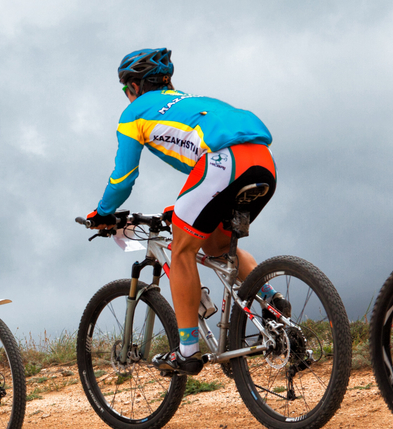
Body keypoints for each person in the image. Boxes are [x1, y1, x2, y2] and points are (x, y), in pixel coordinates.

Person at [86, 48, 285, 377]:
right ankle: (273, 304)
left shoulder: (134, 114)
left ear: (133, 87)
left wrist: (104, 212)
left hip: (222, 163)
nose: (126, 97)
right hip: (263, 161)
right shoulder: (189, 101)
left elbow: (123, 179)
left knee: (181, 251)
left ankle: (188, 352)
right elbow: (202, 178)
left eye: (125, 90)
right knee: (216, 246)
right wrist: (176, 208)